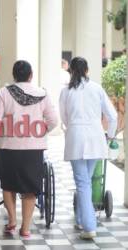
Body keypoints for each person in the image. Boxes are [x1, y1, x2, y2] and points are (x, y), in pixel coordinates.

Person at [0, 60, 58, 239]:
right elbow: (53, 121)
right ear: (31, 75)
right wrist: (39, 131)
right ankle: (25, 229)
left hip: (8, 148)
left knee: (8, 184)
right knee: (30, 189)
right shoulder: (42, 94)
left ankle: (12, 221)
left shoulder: (4, 93)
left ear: (14, 75)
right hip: (33, 149)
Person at [59, 57, 117, 239]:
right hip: (96, 137)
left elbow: (64, 118)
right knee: (86, 181)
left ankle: (89, 226)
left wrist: (74, 127)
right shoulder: (97, 88)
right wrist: (110, 135)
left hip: (76, 137)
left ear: (71, 71)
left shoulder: (66, 91)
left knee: (83, 183)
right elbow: (113, 116)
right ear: (87, 70)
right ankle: (81, 218)